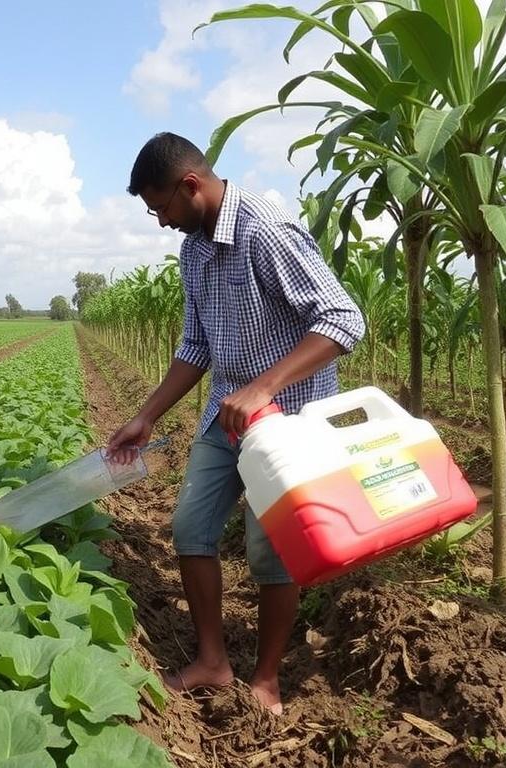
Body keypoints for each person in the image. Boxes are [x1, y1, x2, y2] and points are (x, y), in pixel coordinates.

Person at [107, 132, 365, 714]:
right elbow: (195, 345)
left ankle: (267, 677)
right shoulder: (194, 250)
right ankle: (213, 661)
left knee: (270, 551)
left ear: (190, 185)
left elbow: (344, 319)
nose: (161, 220)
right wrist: (145, 417)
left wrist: (264, 386)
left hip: (290, 421)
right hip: (226, 414)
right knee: (190, 528)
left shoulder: (265, 232)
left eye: (161, 207)